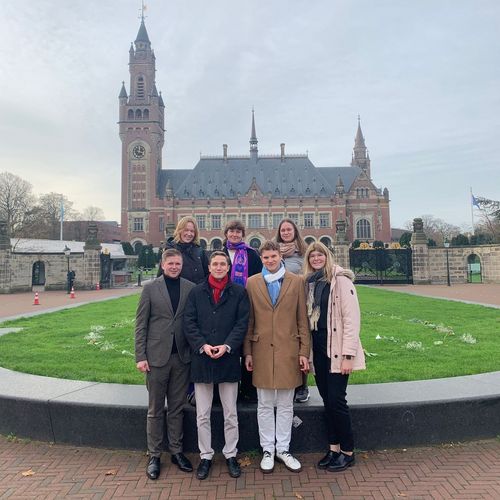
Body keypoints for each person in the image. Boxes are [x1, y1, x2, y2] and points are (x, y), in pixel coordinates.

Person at [244, 241, 310, 474]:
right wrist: (248, 352)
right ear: (261, 259)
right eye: (266, 258)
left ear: (279, 257)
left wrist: (304, 352)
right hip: (261, 351)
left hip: (288, 351)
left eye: (273, 257)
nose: (270, 261)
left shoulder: (296, 281)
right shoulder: (252, 283)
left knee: (285, 404)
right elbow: (249, 321)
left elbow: (302, 320)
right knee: (264, 404)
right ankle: (267, 450)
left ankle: (283, 448)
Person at [183, 251, 250, 480]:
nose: (219, 267)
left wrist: (227, 346)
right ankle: (206, 455)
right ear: (209, 267)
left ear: (228, 267)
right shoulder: (196, 292)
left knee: (230, 413)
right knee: (202, 414)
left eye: (223, 264)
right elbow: (189, 322)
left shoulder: (239, 293)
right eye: (215, 264)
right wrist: (202, 345)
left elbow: (242, 323)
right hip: (202, 359)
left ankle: (231, 454)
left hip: (228, 358)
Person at [303, 242, 366, 472]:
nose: (316, 258)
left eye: (320, 254)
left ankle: (348, 452)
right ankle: (333, 448)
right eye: (312, 255)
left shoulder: (341, 281)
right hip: (319, 350)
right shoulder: (310, 284)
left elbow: (352, 319)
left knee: (337, 401)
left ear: (327, 257)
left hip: (338, 351)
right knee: (327, 401)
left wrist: (349, 355)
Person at [135, 248, 196, 480]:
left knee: (178, 408)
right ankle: (154, 454)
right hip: (156, 358)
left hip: (181, 358)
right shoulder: (150, 288)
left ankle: (177, 451)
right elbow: (140, 324)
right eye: (170, 263)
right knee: (155, 409)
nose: (174, 267)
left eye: (177, 264)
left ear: (181, 266)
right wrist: (140, 356)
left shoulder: (190, 288)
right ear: (163, 264)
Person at [222, 219, 262, 402]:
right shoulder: (219, 254)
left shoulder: (252, 255)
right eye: (231, 231)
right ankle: (227, 390)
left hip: (247, 305)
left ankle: (248, 390)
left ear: (243, 234)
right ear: (226, 233)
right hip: (223, 308)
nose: (235, 234)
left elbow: (260, 279)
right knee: (228, 347)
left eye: (238, 231)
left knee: (248, 348)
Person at [274, 218, 309, 403]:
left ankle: (302, 386)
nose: (286, 232)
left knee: (300, 345)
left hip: (297, 305)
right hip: (276, 307)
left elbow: (311, 274)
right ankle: (284, 382)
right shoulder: (273, 253)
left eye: (289, 229)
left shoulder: (304, 254)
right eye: (283, 230)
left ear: (295, 231)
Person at [158, 216, 209, 285]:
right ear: (179, 230)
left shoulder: (199, 251)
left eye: (192, 231)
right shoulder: (170, 250)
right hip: (178, 293)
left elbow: (208, 274)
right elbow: (161, 276)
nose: (189, 234)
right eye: (186, 230)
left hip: (197, 293)